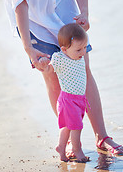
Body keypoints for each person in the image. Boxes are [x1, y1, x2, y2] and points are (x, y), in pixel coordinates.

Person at [2, 0, 123, 156]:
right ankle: (68, 141)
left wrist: (85, 12)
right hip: (33, 19)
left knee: (83, 70)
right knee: (53, 78)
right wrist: (28, 47)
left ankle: (102, 136)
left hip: (63, 9)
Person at [39, 23, 91, 162]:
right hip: (68, 100)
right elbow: (50, 70)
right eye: (79, 49)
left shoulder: (78, 56)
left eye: (85, 47)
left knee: (68, 126)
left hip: (78, 99)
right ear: (64, 49)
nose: (83, 52)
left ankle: (61, 148)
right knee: (77, 127)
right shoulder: (60, 58)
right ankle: (77, 150)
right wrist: (45, 64)